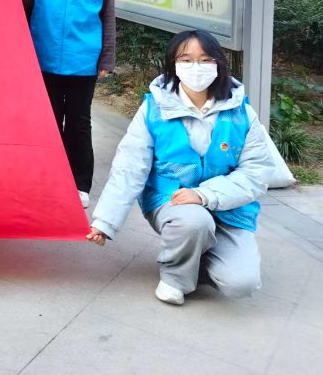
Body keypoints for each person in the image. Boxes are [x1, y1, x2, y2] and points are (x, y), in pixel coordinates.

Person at [87, 30, 274, 306]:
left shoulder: (241, 113)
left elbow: (256, 172)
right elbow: (129, 167)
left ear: (218, 64)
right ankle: (176, 278)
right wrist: (105, 221)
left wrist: (204, 195)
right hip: (171, 201)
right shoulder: (154, 109)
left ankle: (195, 254)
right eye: (186, 59)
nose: (196, 67)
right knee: (194, 222)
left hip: (229, 207)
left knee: (241, 283)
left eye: (205, 59)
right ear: (173, 64)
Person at [22, 0, 116, 209]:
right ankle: (49, 179)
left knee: (78, 124)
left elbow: (108, 18)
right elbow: (23, 10)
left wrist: (107, 59)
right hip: (43, 60)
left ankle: (79, 183)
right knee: (48, 123)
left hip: (82, 63)